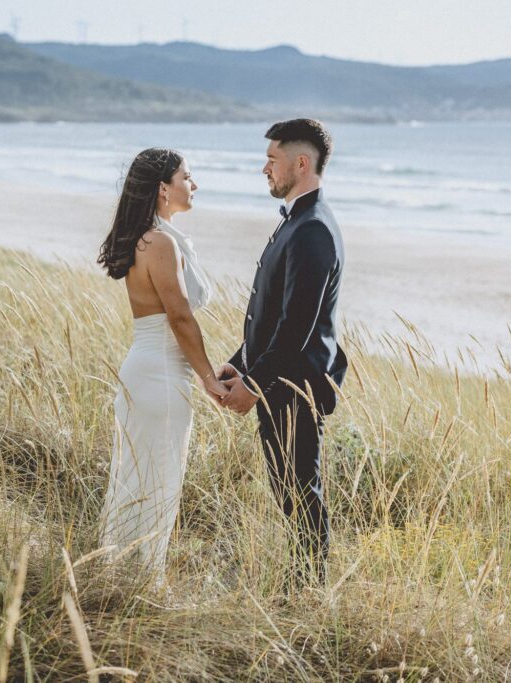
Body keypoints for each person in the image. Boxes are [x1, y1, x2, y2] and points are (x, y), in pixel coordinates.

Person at [217, 119, 347, 587]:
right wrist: (241, 362)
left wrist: (253, 385)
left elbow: (297, 326)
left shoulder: (312, 229)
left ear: (301, 163)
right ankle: (299, 585)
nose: (264, 169)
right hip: (278, 378)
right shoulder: (297, 221)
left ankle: (308, 592)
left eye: (272, 160)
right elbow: (272, 315)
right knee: (288, 491)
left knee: (300, 493)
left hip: (296, 386)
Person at [97, 148, 228, 580]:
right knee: (153, 481)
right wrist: (209, 378)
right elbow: (179, 316)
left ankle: (123, 576)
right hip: (159, 376)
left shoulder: (154, 238)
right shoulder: (159, 243)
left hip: (152, 372)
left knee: (145, 477)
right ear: (163, 189)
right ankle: (136, 580)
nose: (194, 184)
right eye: (188, 177)